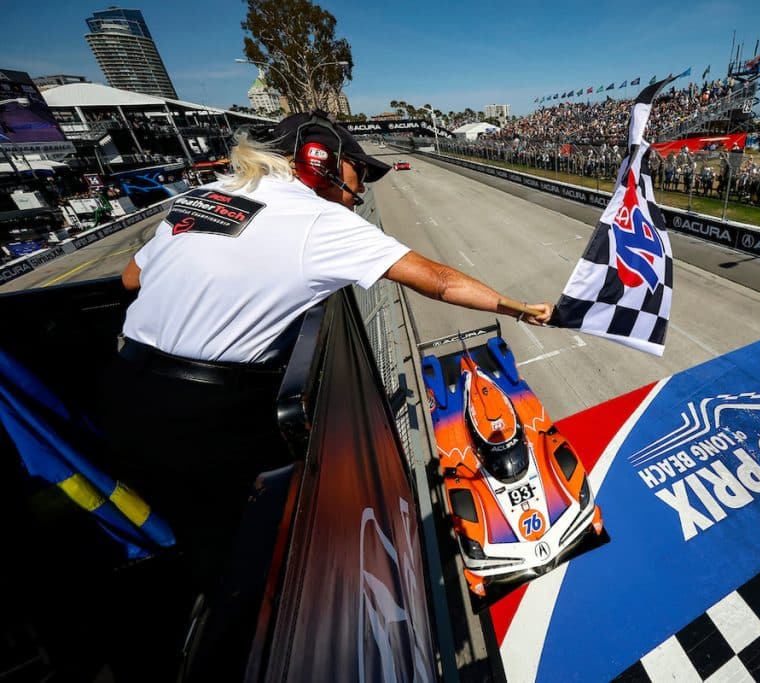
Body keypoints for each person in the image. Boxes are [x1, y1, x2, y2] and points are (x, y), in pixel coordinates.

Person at [95, 111, 552, 677]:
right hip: (206, 419)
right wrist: (518, 307)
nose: (360, 196)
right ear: (320, 160)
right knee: (247, 594)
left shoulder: (209, 194)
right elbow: (439, 280)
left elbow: (130, 281)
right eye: (360, 175)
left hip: (121, 387)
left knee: (177, 559)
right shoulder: (319, 221)